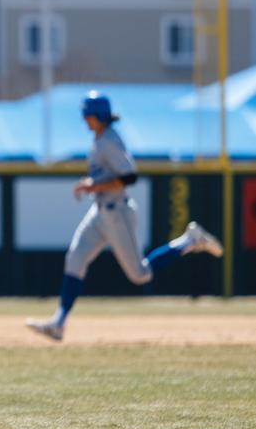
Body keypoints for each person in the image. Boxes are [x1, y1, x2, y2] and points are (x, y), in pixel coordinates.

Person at [25, 90, 223, 342]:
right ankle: (59, 323)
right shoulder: (100, 139)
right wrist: (92, 183)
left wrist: (92, 186)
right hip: (100, 212)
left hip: (117, 212)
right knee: (75, 257)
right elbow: (107, 175)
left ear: (96, 115)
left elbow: (129, 176)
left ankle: (189, 241)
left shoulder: (108, 140)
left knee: (140, 274)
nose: (84, 118)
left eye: (87, 114)